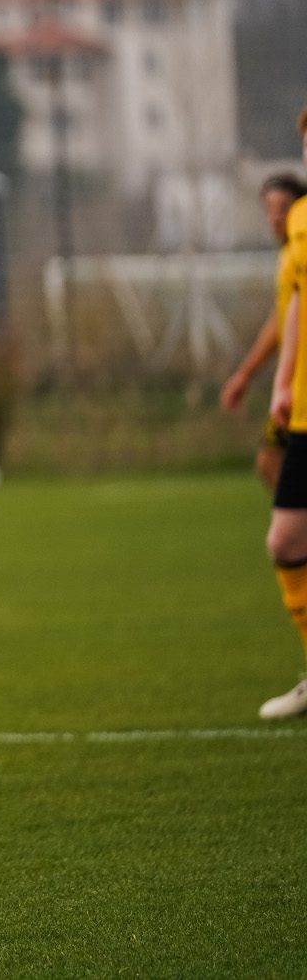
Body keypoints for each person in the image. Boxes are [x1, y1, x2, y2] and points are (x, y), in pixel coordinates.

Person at [259, 110, 307, 720]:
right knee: (286, 537)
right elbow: (297, 301)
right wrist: (280, 381)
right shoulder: (301, 222)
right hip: (305, 413)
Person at [221, 173, 307, 493]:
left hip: (301, 386)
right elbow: (281, 322)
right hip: (293, 384)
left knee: (271, 462)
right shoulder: (288, 258)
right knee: (270, 462)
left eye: (284, 207)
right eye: (269, 208)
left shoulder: (298, 254)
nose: (275, 216)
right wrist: (245, 375)